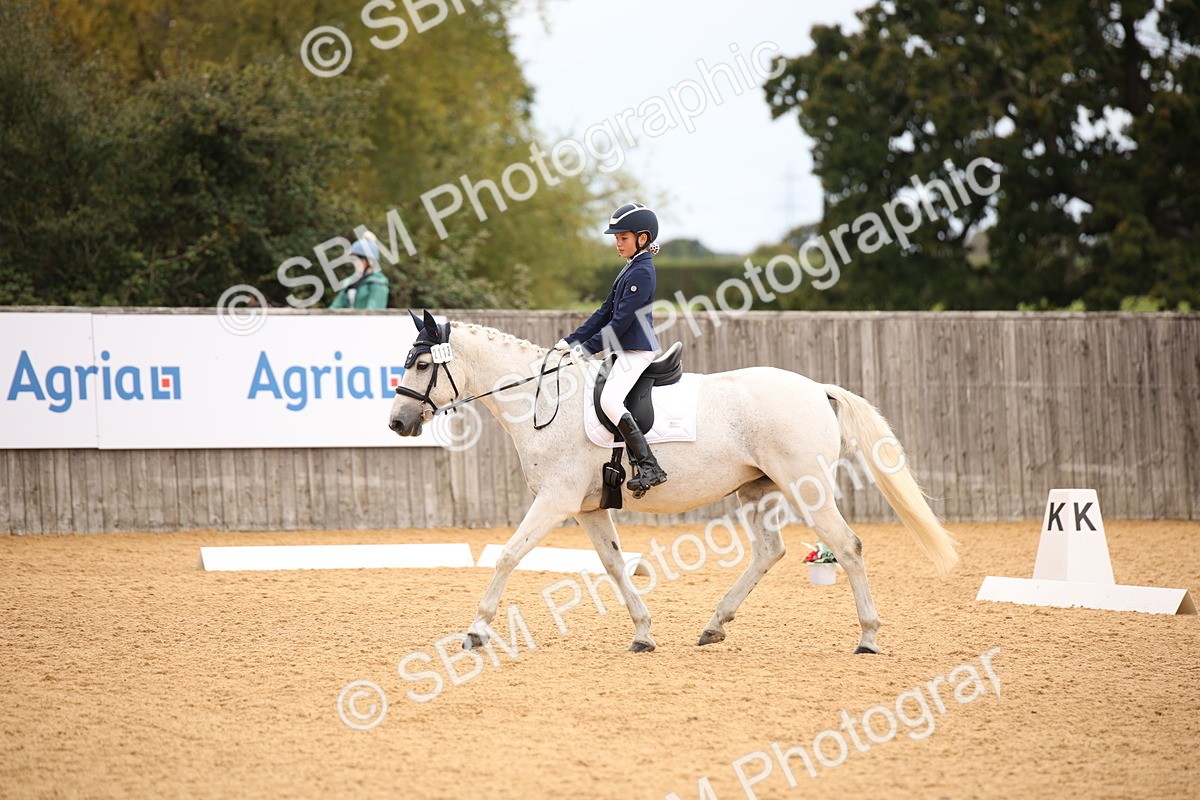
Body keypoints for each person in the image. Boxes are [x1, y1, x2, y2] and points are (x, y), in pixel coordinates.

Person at [556, 202, 667, 495]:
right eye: (616, 238)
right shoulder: (631, 267)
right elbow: (605, 311)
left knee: (610, 401)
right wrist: (572, 340)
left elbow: (619, 323)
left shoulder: (642, 272)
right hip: (625, 349)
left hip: (636, 350)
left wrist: (587, 349)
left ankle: (649, 466)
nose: (618, 243)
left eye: (623, 238)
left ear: (642, 238)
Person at [330, 233, 390, 309]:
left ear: (370, 261)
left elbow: (374, 313)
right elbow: (336, 307)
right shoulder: (350, 282)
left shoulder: (378, 284)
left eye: (360, 258)